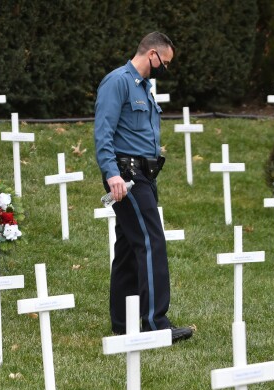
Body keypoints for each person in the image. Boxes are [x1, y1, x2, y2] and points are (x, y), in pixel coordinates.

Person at [94, 32, 193, 343]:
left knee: (127, 247)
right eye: (165, 62)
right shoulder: (118, 82)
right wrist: (112, 174)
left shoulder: (145, 88)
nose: (166, 68)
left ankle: (123, 323)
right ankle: (155, 322)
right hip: (126, 176)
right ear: (152, 54)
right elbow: (103, 132)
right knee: (152, 241)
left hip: (144, 175)